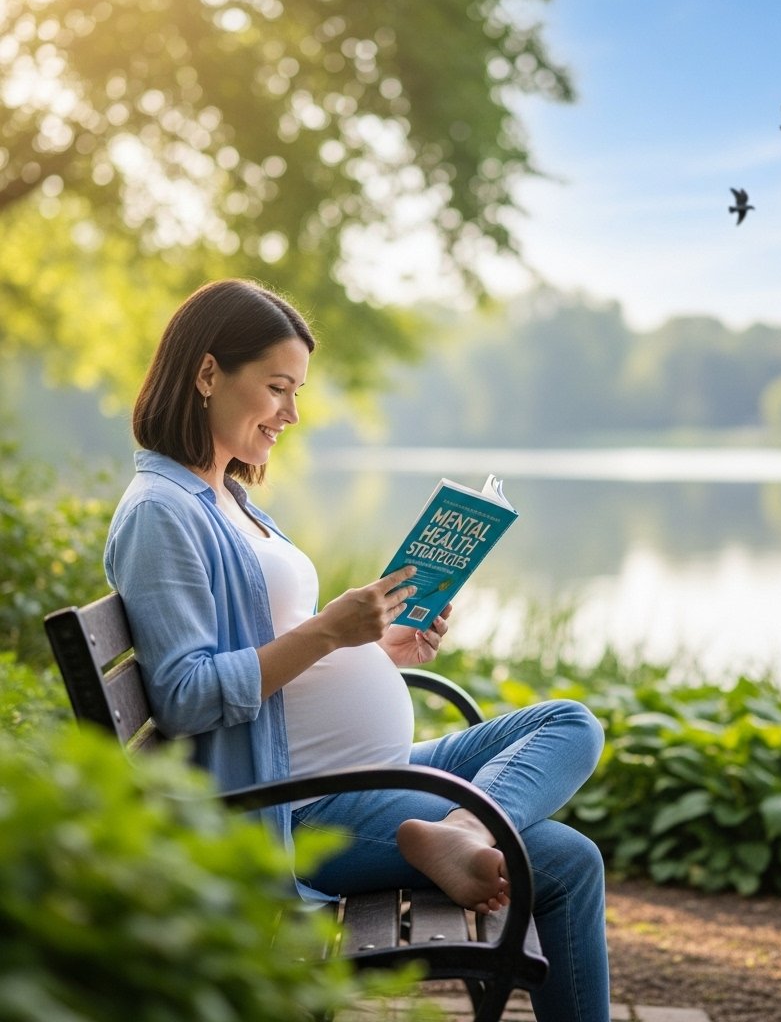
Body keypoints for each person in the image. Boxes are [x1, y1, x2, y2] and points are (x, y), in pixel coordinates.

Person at [104, 279, 610, 1022]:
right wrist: (331, 633)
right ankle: (459, 832)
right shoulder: (162, 512)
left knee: (570, 722)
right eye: (277, 388)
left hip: (356, 777)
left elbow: (280, 648)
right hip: (293, 809)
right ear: (207, 373)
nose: (292, 413)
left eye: (298, 391)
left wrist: (379, 650)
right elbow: (184, 697)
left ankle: (461, 830)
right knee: (564, 860)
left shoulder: (228, 498)